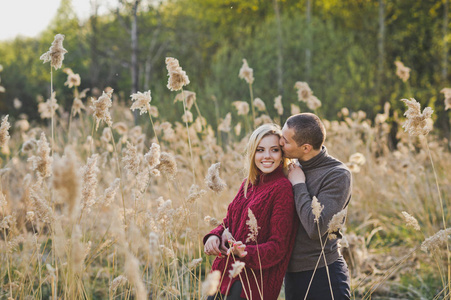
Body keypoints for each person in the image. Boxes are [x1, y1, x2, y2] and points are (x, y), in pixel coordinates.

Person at [203, 123, 299, 300]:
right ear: (253, 153)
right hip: (223, 275)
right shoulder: (249, 182)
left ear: (282, 154)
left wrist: (245, 251)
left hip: (251, 285)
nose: (267, 156)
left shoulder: (282, 189)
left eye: (274, 150)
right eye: (260, 150)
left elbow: (278, 247)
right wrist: (214, 236)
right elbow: (229, 221)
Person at [279, 113, 352, 300]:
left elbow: (316, 227)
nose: (279, 142)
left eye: (285, 141)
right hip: (292, 274)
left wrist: (298, 184)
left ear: (305, 148)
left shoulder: (337, 175)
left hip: (323, 275)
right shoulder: (290, 167)